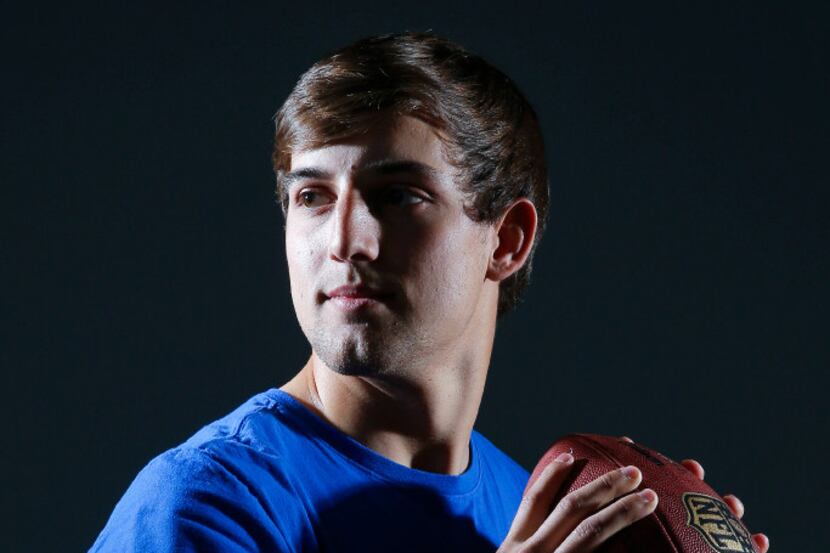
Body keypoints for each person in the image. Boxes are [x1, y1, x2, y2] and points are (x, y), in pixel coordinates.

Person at [90, 32, 769, 552]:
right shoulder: (212, 502)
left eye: (396, 196)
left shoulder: (536, 511)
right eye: (312, 196)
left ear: (506, 239)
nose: (344, 240)